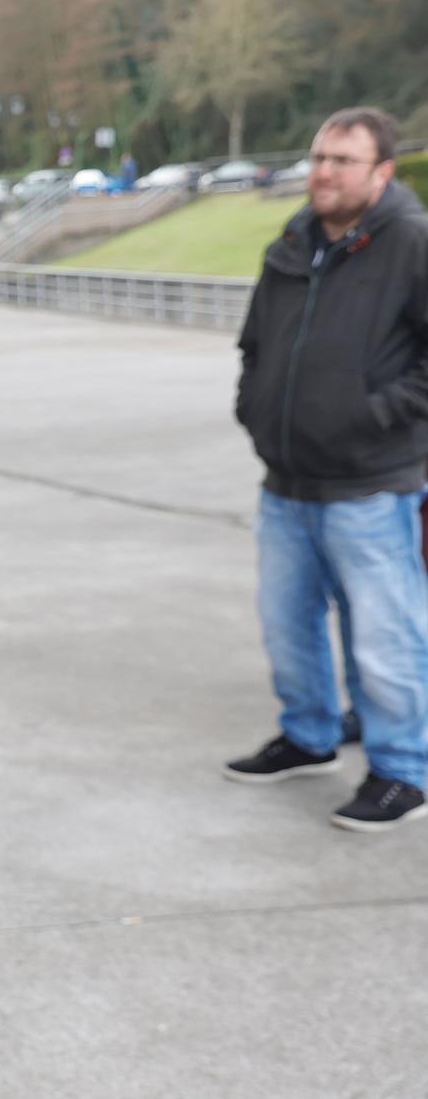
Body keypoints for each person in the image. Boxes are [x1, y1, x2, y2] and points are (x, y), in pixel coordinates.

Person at [225, 106, 428, 832]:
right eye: (318, 157)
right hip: (286, 482)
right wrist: (253, 406)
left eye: (343, 160)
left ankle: (403, 769)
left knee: (386, 635)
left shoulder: (410, 241)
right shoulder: (294, 240)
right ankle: (310, 735)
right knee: (287, 625)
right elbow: (255, 343)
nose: (323, 172)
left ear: (381, 171)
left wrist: (368, 416)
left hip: (370, 484)